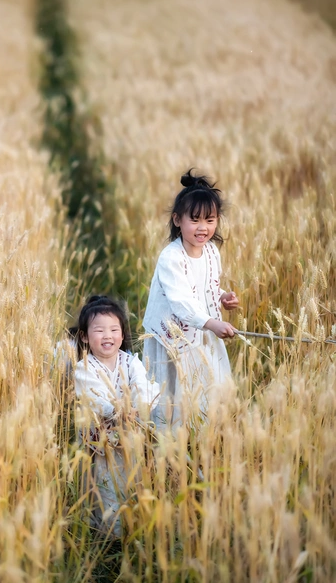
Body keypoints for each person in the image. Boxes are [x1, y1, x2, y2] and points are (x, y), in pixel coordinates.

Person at [142, 170, 239, 431]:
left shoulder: (210, 251)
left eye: (210, 220)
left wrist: (222, 297)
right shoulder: (170, 258)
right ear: (177, 220)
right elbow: (182, 300)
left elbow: (207, 286)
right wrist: (211, 323)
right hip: (172, 335)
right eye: (194, 220)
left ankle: (203, 430)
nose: (203, 228)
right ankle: (170, 437)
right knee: (173, 388)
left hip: (202, 329)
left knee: (207, 382)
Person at [73, 295, 160, 537]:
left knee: (132, 479)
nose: (107, 335)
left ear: (122, 335)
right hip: (100, 441)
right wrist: (120, 408)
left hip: (130, 436)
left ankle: (136, 525)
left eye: (114, 329)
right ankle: (110, 535)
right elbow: (97, 399)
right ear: (85, 337)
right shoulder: (84, 368)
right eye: (99, 330)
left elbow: (144, 387)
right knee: (105, 484)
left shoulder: (131, 362)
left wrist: (138, 405)